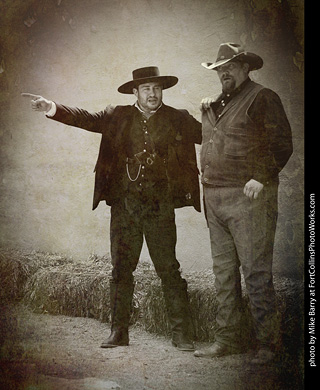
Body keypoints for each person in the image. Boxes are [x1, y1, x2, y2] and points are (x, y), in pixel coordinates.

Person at [22, 66, 202, 351]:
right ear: (135, 92)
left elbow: (210, 135)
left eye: (156, 88)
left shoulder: (178, 118)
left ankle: (182, 334)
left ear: (162, 91)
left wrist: (217, 110)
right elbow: (85, 119)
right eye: (146, 89)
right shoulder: (118, 115)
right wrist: (51, 108)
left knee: (168, 270)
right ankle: (119, 331)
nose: (152, 93)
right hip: (124, 208)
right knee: (120, 270)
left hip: (159, 208)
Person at [193, 43, 293, 364]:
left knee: (255, 273)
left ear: (246, 68)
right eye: (220, 69)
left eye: (231, 67)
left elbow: (282, 143)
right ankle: (227, 340)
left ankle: (269, 344)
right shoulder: (217, 104)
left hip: (248, 200)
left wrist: (261, 177)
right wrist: (208, 109)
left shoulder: (263, 97)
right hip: (215, 199)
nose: (225, 72)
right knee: (223, 274)